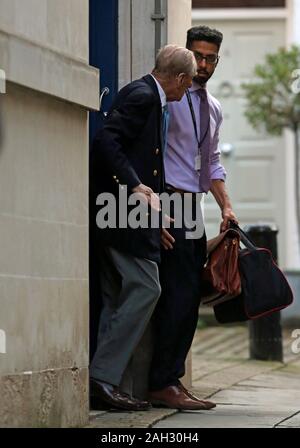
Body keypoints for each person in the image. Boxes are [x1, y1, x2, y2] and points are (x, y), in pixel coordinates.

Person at [89, 45, 197, 411]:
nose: (186, 93)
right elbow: (106, 141)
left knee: (116, 296)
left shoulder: (148, 96)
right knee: (147, 287)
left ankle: (103, 383)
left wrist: (156, 217)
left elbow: (148, 164)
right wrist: (135, 187)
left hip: (128, 215)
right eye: (187, 84)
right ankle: (102, 376)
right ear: (179, 79)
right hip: (119, 214)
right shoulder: (143, 96)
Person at [148, 26, 238, 410]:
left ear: (217, 60)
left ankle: (170, 380)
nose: (203, 64)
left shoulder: (212, 107)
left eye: (210, 58)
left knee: (187, 297)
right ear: (185, 54)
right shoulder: (167, 98)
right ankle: (161, 382)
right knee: (173, 294)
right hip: (162, 202)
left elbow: (212, 163)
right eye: (197, 55)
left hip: (191, 206)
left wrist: (227, 207)